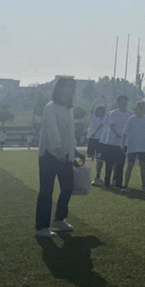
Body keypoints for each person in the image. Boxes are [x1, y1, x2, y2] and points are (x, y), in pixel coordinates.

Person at [35, 77, 85, 237]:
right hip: (49, 155)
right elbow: (52, 131)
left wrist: (74, 151)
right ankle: (41, 228)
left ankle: (59, 219)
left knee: (67, 188)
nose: (72, 90)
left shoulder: (68, 109)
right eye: (69, 86)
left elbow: (69, 134)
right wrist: (57, 151)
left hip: (65, 156)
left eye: (73, 87)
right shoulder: (51, 107)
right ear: (60, 88)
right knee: (46, 191)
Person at [121, 101, 145, 193]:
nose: (141, 108)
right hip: (132, 147)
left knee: (143, 166)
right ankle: (125, 185)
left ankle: (144, 185)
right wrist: (122, 144)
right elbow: (124, 133)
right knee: (130, 165)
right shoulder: (131, 119)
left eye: (142, 107)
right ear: (135, 109)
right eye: (139, 107)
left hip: (143, 147)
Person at [101, 95, 131, 190]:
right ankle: (107, 183)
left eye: (125, 101)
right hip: (111, 143)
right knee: (109, 164)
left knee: (120, 164)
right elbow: (112, 126)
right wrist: (117, 134)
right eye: (122, 101)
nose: (124, 103)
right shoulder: (113, 113)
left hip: (123, 144)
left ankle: (118, 183)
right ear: (118, 103)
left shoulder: (130, 114)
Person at [87, 98, 107, 186]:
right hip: (92, 140)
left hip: (100, 141)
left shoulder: (103, 118)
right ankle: (86, 176)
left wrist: (104, 100)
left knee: (99, 159)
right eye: (98, 110)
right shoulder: (92, 116)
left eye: (101, 110)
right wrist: (98, 99)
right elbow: (92, 106)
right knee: (89, 158)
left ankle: (97, 177)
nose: (100, 112)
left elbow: (106, 108)